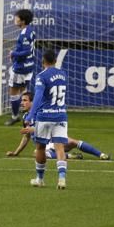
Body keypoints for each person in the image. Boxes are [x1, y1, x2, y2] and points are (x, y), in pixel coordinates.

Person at [6, 92, 110, 160]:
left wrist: (33, 129)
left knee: (73, 142)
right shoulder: (25, 117)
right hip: (43, 146)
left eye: (25, 100)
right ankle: (69, 156)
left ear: (32, 102)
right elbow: (26, 137)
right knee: (37, 153)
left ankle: (101, 154)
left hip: (52, 140)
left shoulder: (41, 112)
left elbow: (48, 127)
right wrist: (16, 153)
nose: (22, 103)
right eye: (21, 101)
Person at [27, 48, 70, 190]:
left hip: (45, 116)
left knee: (40, 147)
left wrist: (31, 115)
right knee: (59, 148)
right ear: (55, 61)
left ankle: (40, 179)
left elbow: (38, 96)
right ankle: (62, 179)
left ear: (43, 61)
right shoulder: (63, 75)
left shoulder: (41, 76)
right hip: (60, 115)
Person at [6, 8, 37, 125]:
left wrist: (13, 53)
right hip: (29, 66)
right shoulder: (30, 30)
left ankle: (15, 117)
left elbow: (26, 51)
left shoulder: (24, 34)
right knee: (24, 91)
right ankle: (28, 117)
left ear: (22, 21)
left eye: (17, 17)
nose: (15, 19)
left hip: (21, 67)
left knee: (14, 91)